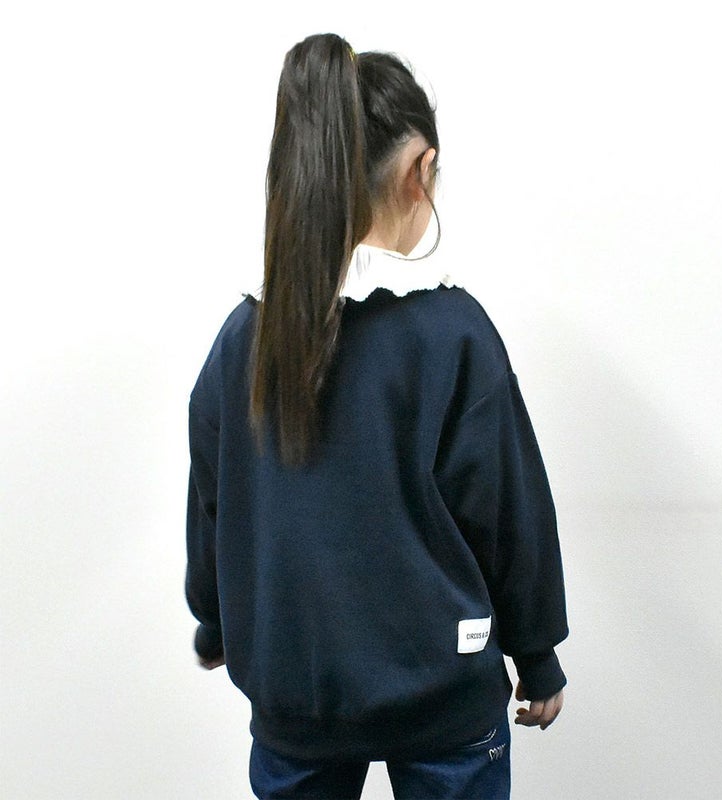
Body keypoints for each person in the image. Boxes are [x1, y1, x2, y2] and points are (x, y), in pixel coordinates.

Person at [186, 32, 568, 800]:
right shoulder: (453, 331)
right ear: (420, 169)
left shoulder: (244, 337)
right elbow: (506, 511)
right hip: (443, 696)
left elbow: (215, 496)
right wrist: (536, 654)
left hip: (296, 694)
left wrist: (216, 620)